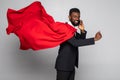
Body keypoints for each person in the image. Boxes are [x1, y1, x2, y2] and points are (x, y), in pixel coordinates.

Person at [55, 8, 102, 80]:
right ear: (69, 17)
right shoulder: (65, 28)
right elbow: (75, 43)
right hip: (63, 66)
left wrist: (82, 30)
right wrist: (94, 39)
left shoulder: (72, 29)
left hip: (70, 65)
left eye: (78, 17)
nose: (77, 18)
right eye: (74, 16)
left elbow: (81, 41)